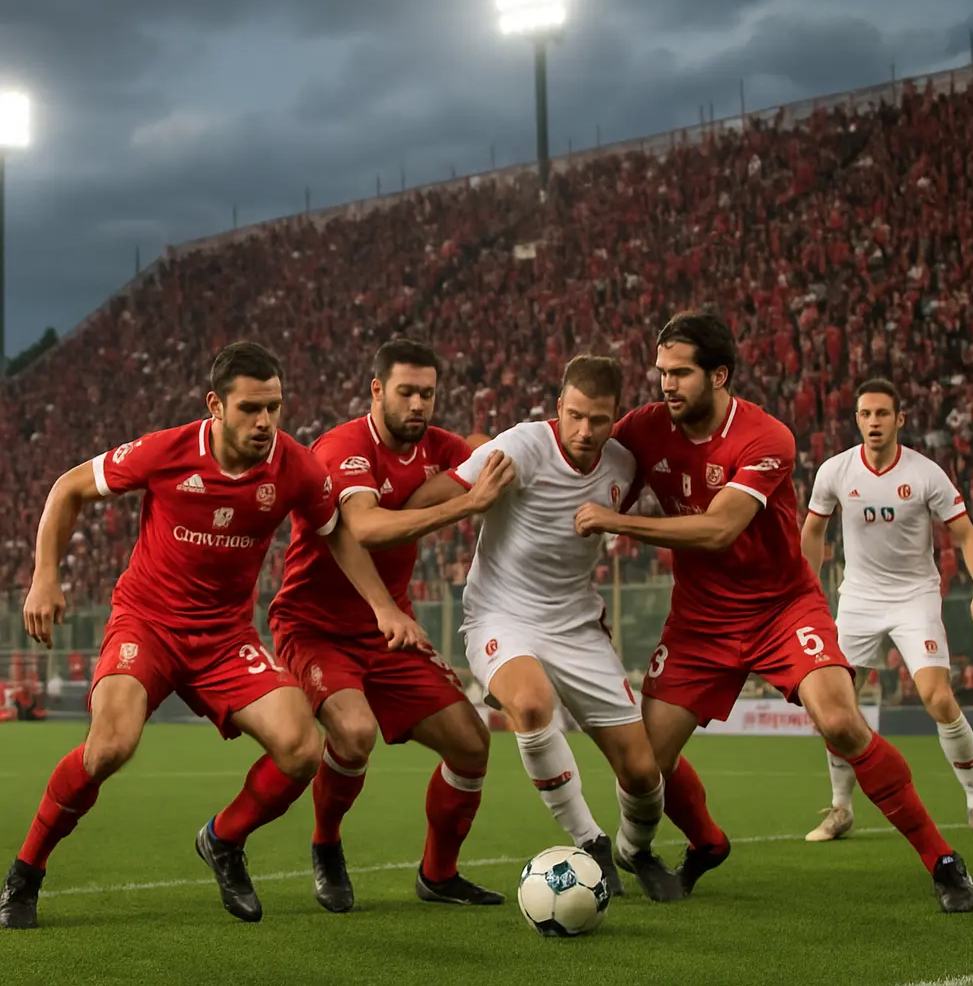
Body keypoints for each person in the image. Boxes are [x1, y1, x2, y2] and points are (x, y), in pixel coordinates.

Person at [0, 342, 420, 930]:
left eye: (273, 407)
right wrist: (45, 577)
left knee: (302, 748)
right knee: (110, 746)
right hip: (148, 623)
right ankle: (26, 872)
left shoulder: (296, 466)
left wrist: (383, 607)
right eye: (250, 408)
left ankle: (223, 839)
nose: (264, 421)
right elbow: (68, 487)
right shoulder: (167, 451)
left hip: (224, 638)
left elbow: (337, 533)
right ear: (215, 406)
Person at [573, 313, 973, 914]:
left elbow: (720, 528)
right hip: (699, 622)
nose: (666, 385)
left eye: (680, 373)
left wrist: (617, 522)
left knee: (840, 722)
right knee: (645, 764)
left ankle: (942, 860)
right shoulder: (644, 428)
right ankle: (707, 843)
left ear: (719, 375)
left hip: (782, 610)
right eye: (661, 372)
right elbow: (578, 460)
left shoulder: (766, 437)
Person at [404, 355, 682, 903]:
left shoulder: (623, 466)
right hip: (500, 615)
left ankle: (635, 849)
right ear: (559, 407)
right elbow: (431, 497)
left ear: (614, 418)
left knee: (643, 774)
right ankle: (591, 841)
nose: (584, 431)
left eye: (598, 420)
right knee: (531, 706)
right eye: (574, 415)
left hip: (576, 626)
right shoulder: (521, 446)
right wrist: (465, 502)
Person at [268, 338, 515, 913]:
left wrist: (491, 449)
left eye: (428, 393)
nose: (418, 404)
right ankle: (326, 845)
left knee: (471, 746)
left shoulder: (439, 447)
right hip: (316, 626)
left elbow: (484, 452)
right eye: (406, 392)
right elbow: (365, 529)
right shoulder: (345, 446)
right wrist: (466, 503)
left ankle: (438, 875)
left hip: (389, 631)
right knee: (355, 734)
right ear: (377, 390)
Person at [801, 378, 973, 844]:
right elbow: (812, 531)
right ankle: (841, 808)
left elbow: (966, 534)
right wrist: (806, 591)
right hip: (859, 599)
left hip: (915, 598)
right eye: (866, 414)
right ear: (857, 420)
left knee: (938, 698)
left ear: (899, 420)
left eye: (882, 414)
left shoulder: (926, 473)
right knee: (835, 706)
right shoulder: (835, 470)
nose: (874, 422)